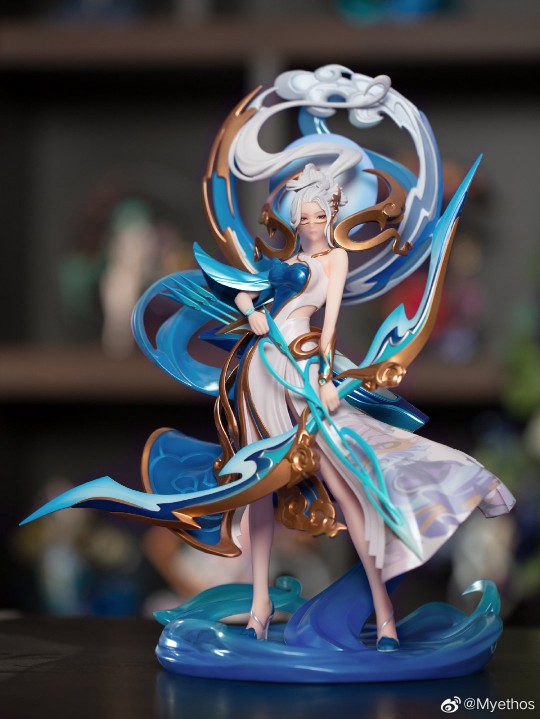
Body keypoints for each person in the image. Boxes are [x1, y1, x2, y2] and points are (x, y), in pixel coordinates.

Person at [232, 162, 515, 649]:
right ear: (294, 218)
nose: (312, 225)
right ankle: (259, 605)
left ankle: (385, 614)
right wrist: (251, 313)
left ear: (331, 216)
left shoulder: (335, 260)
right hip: (262, 369)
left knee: (347, 488)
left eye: (319, 216)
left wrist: (325, 380)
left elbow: (330, 327)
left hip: (302, 368)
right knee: (259, 486)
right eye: (304, 217)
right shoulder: (282, 260)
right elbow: (244, 292)